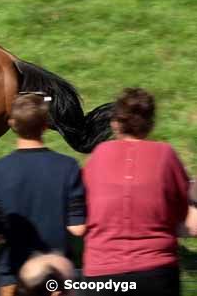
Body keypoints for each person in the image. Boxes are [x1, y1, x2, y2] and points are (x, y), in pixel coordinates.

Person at [81, 88, 189, 296]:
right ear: (151, 123)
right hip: (155, 273)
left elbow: (82, 208)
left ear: (115, 123)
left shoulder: (98, 156)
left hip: (102, 275)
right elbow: (180, 212)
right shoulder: (165, 155)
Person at [0, 93, 86, 296]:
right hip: (56, 277)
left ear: (12, 124)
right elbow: (78, 228)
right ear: (46, 125)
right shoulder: (68, 167)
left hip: (12, 275)